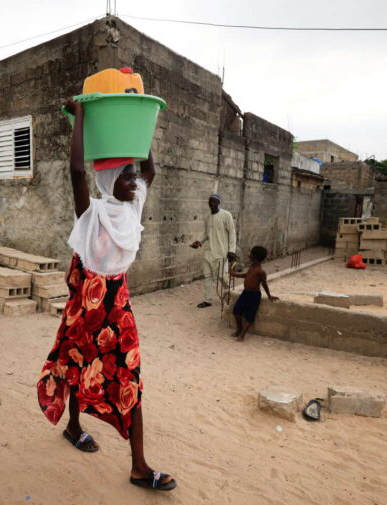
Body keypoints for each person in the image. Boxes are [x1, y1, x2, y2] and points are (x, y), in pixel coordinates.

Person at [36, 99, 176, 492]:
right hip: (88, 309)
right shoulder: (92, 212)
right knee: (81, 368)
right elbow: (76, 169)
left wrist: (138, 130)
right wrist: (81, 115)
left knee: (130, 380)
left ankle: (139, 466)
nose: (135, 180)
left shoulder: (134, 208)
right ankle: (74, 426)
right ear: (108, 179)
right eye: (126, 175)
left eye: (133, 176)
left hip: (119, 308)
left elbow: (150, 169)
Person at [190, 194, 237, 308]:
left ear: (218, 203)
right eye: (210, 202)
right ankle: (207, 300)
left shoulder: (226, 215)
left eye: (214, 202)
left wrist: (232, 250)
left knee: (222, 277)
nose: (212, 204)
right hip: (208, 252)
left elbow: (232, 233)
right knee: (207, 277)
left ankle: (232, 295)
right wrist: (199, 242)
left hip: (221, 252)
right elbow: (207, 234)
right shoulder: (208, 217)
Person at [230, 246, 278, 341]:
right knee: (236, 310)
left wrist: (269, 296)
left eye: (250, 253)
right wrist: (235, 274)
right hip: (245, 293)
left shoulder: (261, 271)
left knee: (250, 315)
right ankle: (239, 329)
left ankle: (242, 335)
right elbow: (247, 275)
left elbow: (264, 284)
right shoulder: (252, 266)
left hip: (254, 295)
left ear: (254, 256)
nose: (249, 254)